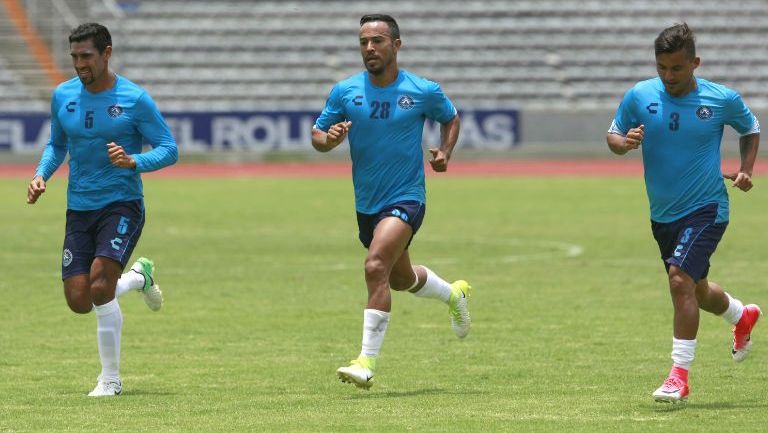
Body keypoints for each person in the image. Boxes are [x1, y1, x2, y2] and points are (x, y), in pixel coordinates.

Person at [311, 14, 470, 389]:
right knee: (400, 279)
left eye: (378, 41)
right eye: (364, 41)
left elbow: (451, 119)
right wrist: (328, 140)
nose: (370, 48)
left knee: (374, 265)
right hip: (367, 202)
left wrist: (445, 152)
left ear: (396, 45)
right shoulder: (345, 91)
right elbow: (318, 134)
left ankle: (366, 361)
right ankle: (453, 294)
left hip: (406, 197)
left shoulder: (422, 90)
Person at [607, 23, 761, 403]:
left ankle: (679, 375)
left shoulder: (721, 99)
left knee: (678, 281)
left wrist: (747, 168)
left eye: (676, 68)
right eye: (662, 67)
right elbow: (612, 135)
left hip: (707, 207)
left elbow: (751, 128)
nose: (668, 76)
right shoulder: (640, 95)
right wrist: (624, 144)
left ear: (694, 62)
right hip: (663, 215)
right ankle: (741, 315)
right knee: (697, 289)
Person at [26, 23, 178, 397]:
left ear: (106, 53)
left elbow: (169, 148)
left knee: (98, 282)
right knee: (79, 300)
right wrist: (40, 175)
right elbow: (56, 145)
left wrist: (133, 162)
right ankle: (139, 278)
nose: (79, 64)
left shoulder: (134, 99)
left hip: (122, 203)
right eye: (74, 56)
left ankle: (110, 379)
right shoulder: (63, 96)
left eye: (86, 56)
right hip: (79, 207)